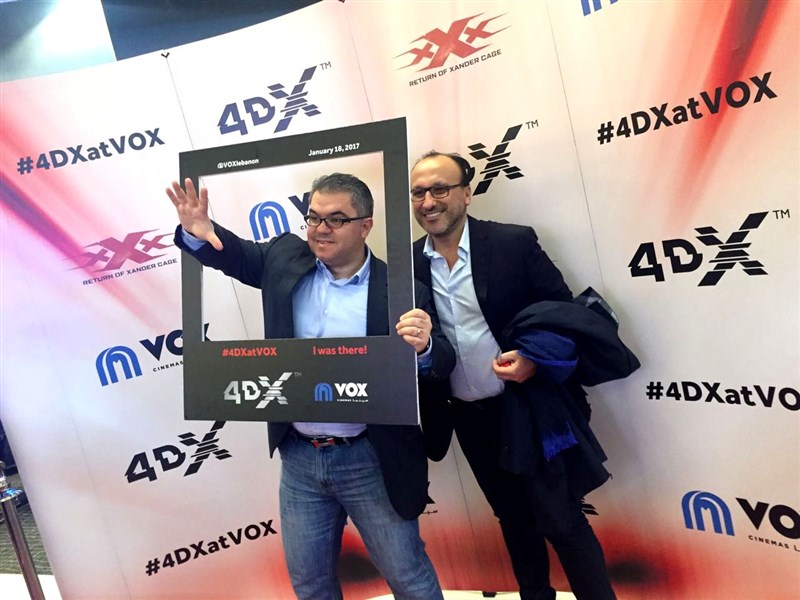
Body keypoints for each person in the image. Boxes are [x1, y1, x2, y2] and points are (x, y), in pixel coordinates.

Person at [167, 173, 455, 600]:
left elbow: (443, 361)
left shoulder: (400, 289)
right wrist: (199, 232)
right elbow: (237, 255)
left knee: (409, 578)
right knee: (310, 584)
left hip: (371, 457)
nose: (321, 229)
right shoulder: (284, 257)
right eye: (314, 217)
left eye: (336, 219)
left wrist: (425, 346)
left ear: (365, 225)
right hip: (300, 458)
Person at [410, 151, 623, 600]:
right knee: (513, 520)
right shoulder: (409, 264)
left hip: (528, 408)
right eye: (418, 192)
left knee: (562, 520)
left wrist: (532, 358)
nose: (428, 201)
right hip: (467, 416)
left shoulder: (512, 243)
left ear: (466, 193)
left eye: (440, 188)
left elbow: (565, 313)